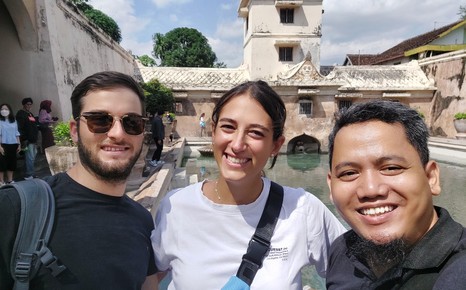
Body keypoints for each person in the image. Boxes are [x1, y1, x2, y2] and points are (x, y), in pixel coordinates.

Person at [151, 80, 345, 289]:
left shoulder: (302, 210)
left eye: (256, 133)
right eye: (228, 127)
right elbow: (152, 275)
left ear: (276, 145)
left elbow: (357, 270)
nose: (237, 144)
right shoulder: (176, 207)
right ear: (213, 131)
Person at [0, 71, 158, 289]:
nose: (117, 133)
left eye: (132, 122)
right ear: (75, 131)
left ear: (142, 132)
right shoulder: (12, 209)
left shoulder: (142, 220)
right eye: (99, 120)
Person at [326, 100, 466, 289]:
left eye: (391, 168)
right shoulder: (343, 249)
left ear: (431, 177)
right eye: (349, 173)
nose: (370, 189)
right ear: (331, 186)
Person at [0, 103, 21, 184]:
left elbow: (16, 133)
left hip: (13, 144)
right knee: (1, 163)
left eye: (6, 109)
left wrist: (19, 144)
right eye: (2, 109)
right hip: (2, 144)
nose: (4, 111)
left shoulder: (14, 121)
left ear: (9, 110)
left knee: (11, 163)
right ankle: (1, 182)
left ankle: (10, 180)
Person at [16, 97, 38, 180]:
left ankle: (29, 172)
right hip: (27, 140)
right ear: (24, 105)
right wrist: (23, 139)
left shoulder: (30, 114)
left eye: (30, 104)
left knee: (32, 156)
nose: (29, 106)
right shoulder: (21, 113)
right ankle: (29, 174)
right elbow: (20, 127)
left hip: (33, 139)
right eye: (27, 104)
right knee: (30, 157)